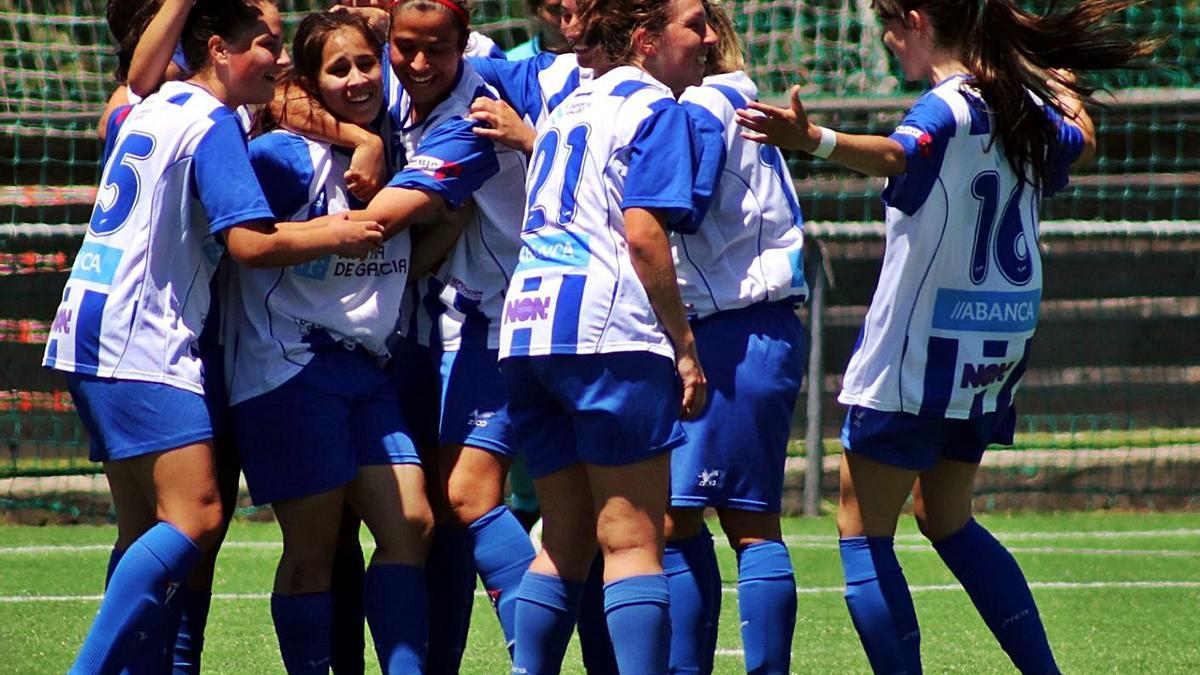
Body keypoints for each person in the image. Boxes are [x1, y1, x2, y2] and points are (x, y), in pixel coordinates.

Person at [738, 0, 1156, 672]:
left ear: (917, 19)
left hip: (920, 351)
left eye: (889, 27)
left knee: (862, 532)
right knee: (945, 515)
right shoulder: (1018, 102)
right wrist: (1061, 83)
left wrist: (811, 139)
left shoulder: (951, 103)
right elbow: (1083, 140)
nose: (888, 43)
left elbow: (901, 153)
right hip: (994, 345)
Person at [42, 0, 384, 672]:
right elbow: (250, 244)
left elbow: (147, 73)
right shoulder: (209, 122)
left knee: (147, 527)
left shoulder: (152, 100)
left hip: (85, 325)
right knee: (197, 514)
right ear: (219, 49)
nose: (282, 59)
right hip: (140, 337)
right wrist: (338, 232)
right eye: (265, 43)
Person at [496, 0, 716, 670]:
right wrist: (684, 344)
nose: (709, 38)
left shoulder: (567, 108)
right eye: (695, 25)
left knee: (562, 537)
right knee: (631, 537)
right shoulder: (657, 109)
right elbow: (643, 232)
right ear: (646, 41)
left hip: (528, 329)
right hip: (607, 335)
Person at [229, 11, 440, 674]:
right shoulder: (283, 158)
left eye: (366, 63)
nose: (357, 77)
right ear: (311, 83)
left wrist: (453, 215)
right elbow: (234, 244)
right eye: (337, 68)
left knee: (413, 525)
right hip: (290, 367)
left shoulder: (403, 147)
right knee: (313, 551)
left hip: (366, 371)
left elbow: (403, 257)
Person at [660, 2, 809, 672]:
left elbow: (675, 209)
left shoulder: (704, 105)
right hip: (746, 327)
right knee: (680, 516)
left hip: (736, 330)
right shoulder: (732, 100)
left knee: (747, 524)